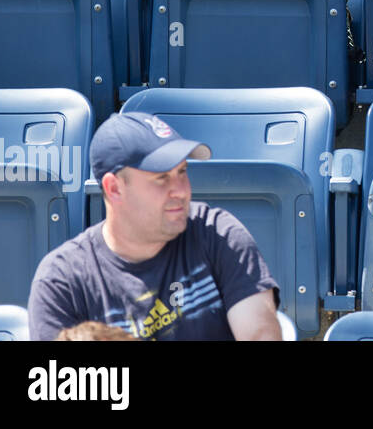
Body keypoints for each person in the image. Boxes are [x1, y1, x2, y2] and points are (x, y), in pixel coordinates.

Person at [27, 111, 282, 340]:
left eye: (182, 172)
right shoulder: (62, 280)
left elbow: (261, 334)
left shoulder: (218, 234)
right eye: (161, 178)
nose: (181, 191)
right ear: (114, 188)